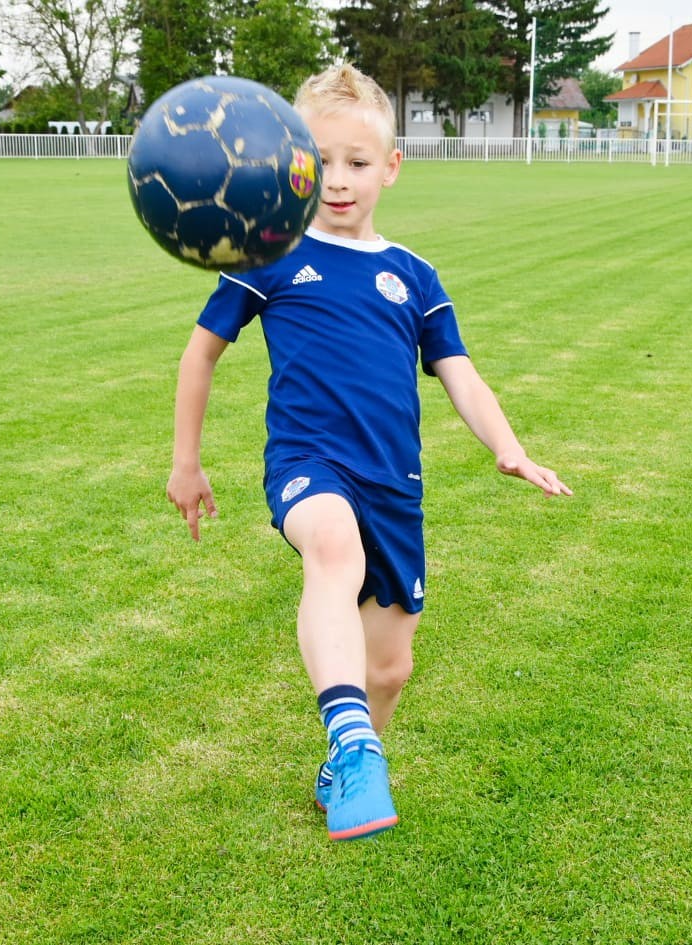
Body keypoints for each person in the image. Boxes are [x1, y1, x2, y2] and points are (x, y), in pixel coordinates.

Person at [166, 63, 572, 842]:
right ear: (291, 167)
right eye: (320, 164)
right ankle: (353, 744)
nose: (339, 181)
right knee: (331, 544)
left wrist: (510, 447)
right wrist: (187, 462)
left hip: (395, 485)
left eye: (358, 163)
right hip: (309, 464)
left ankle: (353, 751)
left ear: (391, 165)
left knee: (388, 667)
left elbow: (461, 374)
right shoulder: (270, 255)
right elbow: (200, 353)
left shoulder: (413, 276)